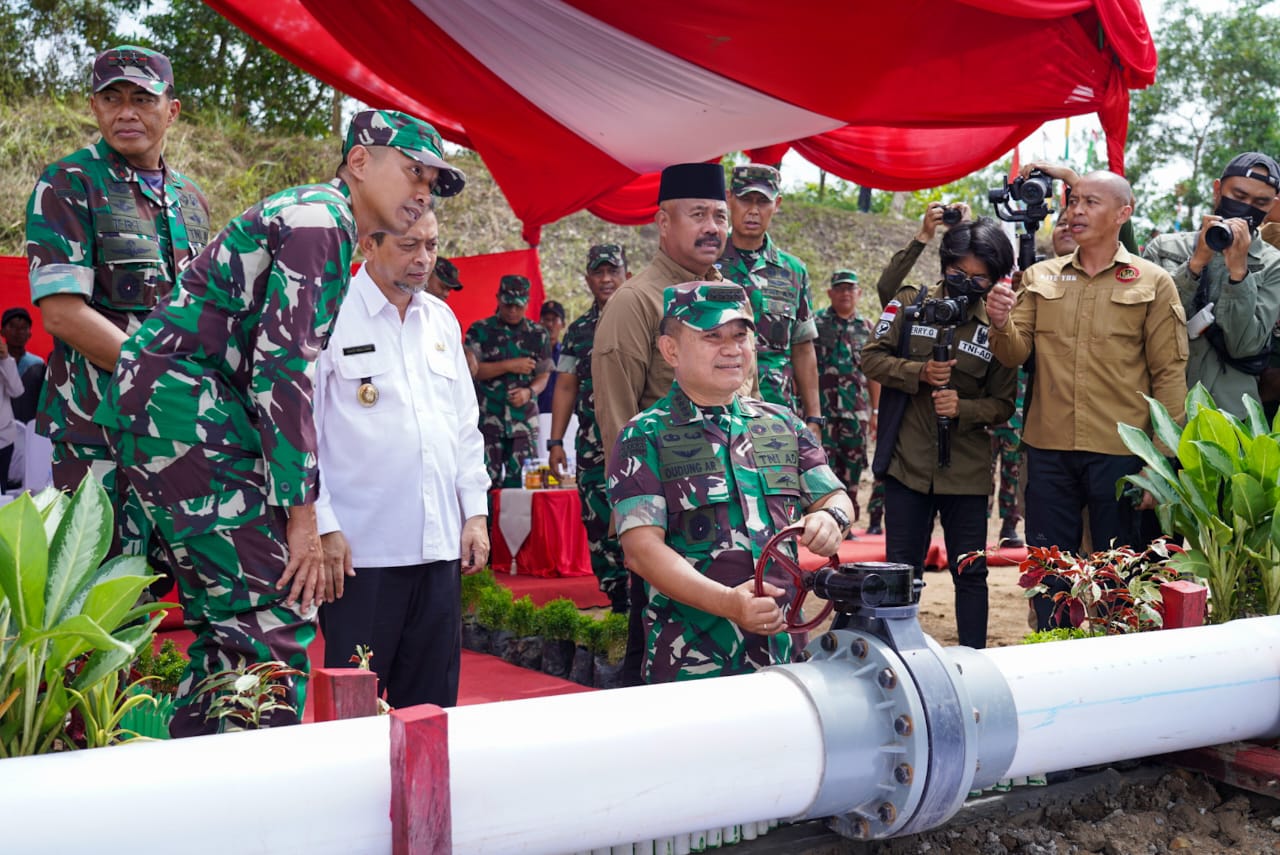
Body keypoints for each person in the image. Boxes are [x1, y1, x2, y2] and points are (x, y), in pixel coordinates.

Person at [94, 109, 463, 736]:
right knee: (270, 614)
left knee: (232, 620)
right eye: (411, 170)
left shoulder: (326, 224)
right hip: (187, 415)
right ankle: (241, 792)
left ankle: (196, 772)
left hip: (181, 415)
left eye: (431, 179)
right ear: (359, 162)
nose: (422, 190)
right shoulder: (322, 220)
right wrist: (304, 517)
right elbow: (283, 373)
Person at [608, 282, 852, 683]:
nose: (731, 349)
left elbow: (836, 497)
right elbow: (642, 550)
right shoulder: (644, 436)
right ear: (671, 350)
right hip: (694, 663)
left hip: (787, 659)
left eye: (741, 336)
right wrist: (728, 603)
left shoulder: (782, 424)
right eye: (712, 336)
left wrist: (832, 519)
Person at [25, 45, 210, 553]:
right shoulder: (69, 183)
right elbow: (63, 314)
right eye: (112, 98)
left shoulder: (192, 200)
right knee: (97, 586)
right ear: (94, 107)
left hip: (174, 434)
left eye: (141, 98)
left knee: (167, 584)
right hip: (97, 433)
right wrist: (164, 382)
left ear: (171, 110)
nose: (126, 112)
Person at [985, 171, 1188, 629]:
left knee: (1121, 572)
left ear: (1123, 213)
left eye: (1090, 202)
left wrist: (1160, 464)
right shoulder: (1039, 276)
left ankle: (1120, 667)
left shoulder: (1154, 282)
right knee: (1049, 571)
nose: (1076, 211)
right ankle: (1051, 655)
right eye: (1073, 201)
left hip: (1121, 455)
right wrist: (1000, 322)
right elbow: (1015, 354)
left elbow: (1169, 376)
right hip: (1050, 450)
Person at [313, 207, 489, 709]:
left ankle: (426, 793)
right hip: (362, 555)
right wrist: (322, 524)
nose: (424, 260)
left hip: (439, 549)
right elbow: (303, 432)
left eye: (431, 245)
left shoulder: (442, 319)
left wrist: (474, 514)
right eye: (409, 246)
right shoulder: (330, 314)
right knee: (354, 708)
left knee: (431, 709)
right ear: (368, 245)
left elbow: (464, 425)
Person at [593, 162, 755, 686]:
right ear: (664, 222)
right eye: (698, 215)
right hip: (672, 530)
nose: (713, 227)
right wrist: (642, 531)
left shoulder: (731, 296)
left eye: (719, 216)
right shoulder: (636, 303)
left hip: (741, 520)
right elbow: (618, 421)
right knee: (664, 666)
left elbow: (747, 400)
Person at [862, 219, 1018, 649]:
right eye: (956, 274)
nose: (965, 284)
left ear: (994, 278)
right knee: (900, 571)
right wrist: (918, 373)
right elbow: (871, 358)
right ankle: (895, 656)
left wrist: (964, 408)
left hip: (965, 472)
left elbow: (1004, 403)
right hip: (907, 466)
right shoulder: (912, 305)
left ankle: (973, 657)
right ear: (945, 267)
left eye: (977, 278)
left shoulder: (998, 328)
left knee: (971, 572)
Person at [1142, 152, 1280, 419]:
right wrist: (1196, 263)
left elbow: (1245, 345)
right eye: (1239, 197)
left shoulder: (1274, 264)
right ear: (1218, 191)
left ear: (1271, 206)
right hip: (1160, 408)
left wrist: (1239, 273)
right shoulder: (1165, 248)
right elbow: (1147, 325)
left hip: (1229, 415)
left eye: (1260, 202)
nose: (1247, 207)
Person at [548, 244, 630, 612]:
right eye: (598, 272)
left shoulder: (645, 315)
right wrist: (555, 441)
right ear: (587, 279)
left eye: (613, 270)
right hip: (593, 447)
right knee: (597, 521)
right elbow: (565, 385)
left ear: (627, 273)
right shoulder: (579, 330)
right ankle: (618, 598)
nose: (606, 278)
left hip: (638, 443)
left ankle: (649, 596)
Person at [718, 164, 821, 425]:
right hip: (717, 408)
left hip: (776, 411)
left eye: (762, 201)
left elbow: (803, 347)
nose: (753, 210)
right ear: (729, 199)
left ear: (777, 204)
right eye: (745, 200)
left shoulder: (793, 271)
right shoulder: (707, 262)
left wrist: (814, 417)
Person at [465, 275, 553, 489]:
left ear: (527, 302)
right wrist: (509, 365)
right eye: (507, 305)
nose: (512, 310)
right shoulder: (480, 331)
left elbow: (544, 375)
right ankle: (485, 524)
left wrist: (529, 392)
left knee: (523, 489)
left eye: (518, 306)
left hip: (523, 425)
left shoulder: (538, 334)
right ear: (498, 298)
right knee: (483, 486)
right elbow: (470, 371)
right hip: (488, 422)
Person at [812, 269, 879, 524]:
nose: (845, 294)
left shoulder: (868, 329)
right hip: (823, 413)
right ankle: (822, 520)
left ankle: (849, 521)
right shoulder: (816, 325)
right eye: (839, 289)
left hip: (856, 412)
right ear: (830, 293)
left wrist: (875, 412)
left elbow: (874, 374)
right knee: (822, 467)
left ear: (859, 293)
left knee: (852, 467)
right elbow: (803, 367)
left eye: (850, 289)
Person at [1, 307, 45, 425]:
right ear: (2, 331)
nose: (18, 331)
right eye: (12, 326)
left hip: (29, 426)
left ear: (30, 333)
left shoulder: (37, 365)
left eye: (23, 327)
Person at [0, 334, 25, 490]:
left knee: (2, 492)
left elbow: (17, 391)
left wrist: (5, 358)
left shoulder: (4, 362)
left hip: (4, 438)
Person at [536, 300, 566, 414]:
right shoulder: (530, 353)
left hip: (563, 417)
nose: (549, 324)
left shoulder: (568, 354)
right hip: (534, 417)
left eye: (554, 320)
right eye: (545, 320)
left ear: (563, 324)